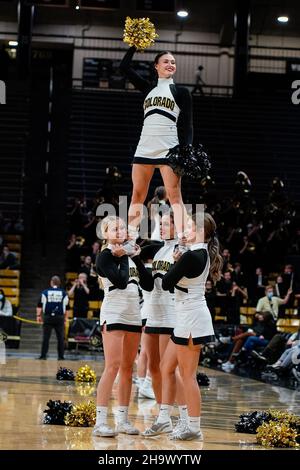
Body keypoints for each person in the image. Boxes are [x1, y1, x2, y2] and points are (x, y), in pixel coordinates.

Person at [146, 212, 222, 441]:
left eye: (188, 228)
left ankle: (194, 426)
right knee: (167, 367)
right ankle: (165, 418)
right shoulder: (197, 253)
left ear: (200, 232)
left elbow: (167, 283)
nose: (183, 232)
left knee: (188, 376)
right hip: (184, 315)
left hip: (191, 317)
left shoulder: (193, 256)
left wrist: (176, 262)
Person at [119, 46, 193, 251]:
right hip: (145, 147)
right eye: (166, 61)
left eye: (173, 62)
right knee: (137, 195)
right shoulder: (148, 88)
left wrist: (186, 151)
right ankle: (130, 240)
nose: (171, 65)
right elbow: (124, 67)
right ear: (156, 66)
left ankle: (182, 241)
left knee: (175, 196)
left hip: (169, 149)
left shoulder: (181, 92)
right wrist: (134, 46)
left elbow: (187, 124)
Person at [132, 212, 188, 434]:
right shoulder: (160, 251)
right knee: (154, 368)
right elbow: (147, 286)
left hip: (171, 314)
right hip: (153, 313)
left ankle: (184, 417)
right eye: (160, 224)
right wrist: (136, 258)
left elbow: (169, 285)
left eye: (166, 224)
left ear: (178, 226)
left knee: (170, 370)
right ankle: (162, 416)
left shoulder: (180, 250)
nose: (162, 228)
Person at [93, 216, 142, 438]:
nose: (121, 230)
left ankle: (122, 419)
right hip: (113, 313)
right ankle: (101, 421)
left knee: (128, 368)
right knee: (112, 366)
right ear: (105, 234)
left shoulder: (129, 257)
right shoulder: (104, 257)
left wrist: (133, 255)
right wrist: (123, 255)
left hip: (133, 315)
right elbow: (121, 282)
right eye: (115, 228)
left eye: (123, 227)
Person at [36, 276, 69, 360]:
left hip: (48, 317)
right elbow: (67, 307)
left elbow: (39, 305)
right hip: (59, 318)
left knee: (46, 338)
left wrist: (38, 316)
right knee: (60, 338)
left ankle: (43, 356)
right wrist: (66, 318)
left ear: (51, 282)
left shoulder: (45, 292)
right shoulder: (64, 293)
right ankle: (61, 357)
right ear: (59, 283)